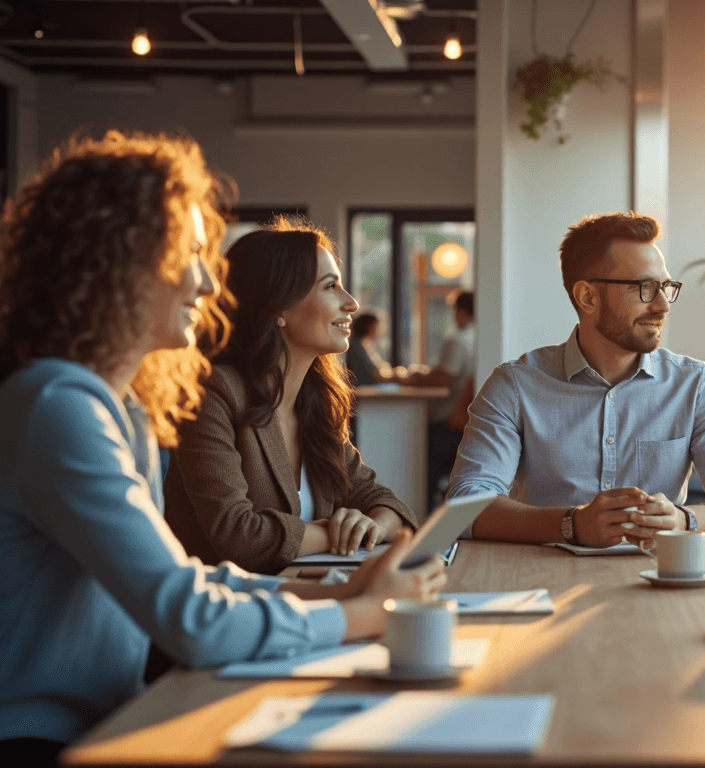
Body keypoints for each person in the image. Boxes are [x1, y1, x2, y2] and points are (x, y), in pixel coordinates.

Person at [0, 131, 446, 765]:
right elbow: (191, 616)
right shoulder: (58, 406)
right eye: (187, 253)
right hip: (41, 738)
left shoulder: (120, 408)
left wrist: (339, 595)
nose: (207, 284)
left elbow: (191, 579)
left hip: (117, 714)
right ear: (119, 261)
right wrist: (361, 615)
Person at [446, 212, 705, 545]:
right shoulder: (514, 386)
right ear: (588, 297)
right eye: (645, 287)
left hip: (658, 583)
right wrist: (570, 524)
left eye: (665, 288)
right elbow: (462, 506)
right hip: (544, 582)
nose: (662, 305)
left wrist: (685, 521)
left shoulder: (696, 385)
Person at [163, 220, 419, 574]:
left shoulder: (315, 403)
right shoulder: (212, 393)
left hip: (308, 600)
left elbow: (385, 502)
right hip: (233, 614)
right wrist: (335, 534)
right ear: (279, 306)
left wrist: (371, 525)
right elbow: (236, 533)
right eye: (331, 287)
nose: (353, 303)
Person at [422, 290, 476, 505]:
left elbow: (444, 378)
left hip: (453, 424)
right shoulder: (479, 338)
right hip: (466, 423)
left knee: (422, 451)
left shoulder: (460, 340)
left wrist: (414, 379)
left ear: (461, 312)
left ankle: (423, 509)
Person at [345, 311, 393, 386]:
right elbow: (375, 374)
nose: (380, 330)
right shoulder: (357, 346)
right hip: (365, 388)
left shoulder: (366, 344)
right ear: (369, 327)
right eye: (377, 326)